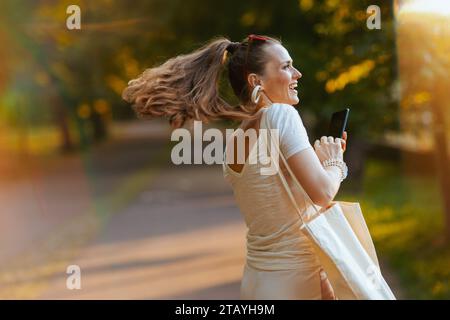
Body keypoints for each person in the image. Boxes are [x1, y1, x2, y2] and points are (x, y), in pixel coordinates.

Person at [122, 35, 348, 299]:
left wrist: (320, 164)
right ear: (256, 81)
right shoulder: (281, 115)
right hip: (292, 283)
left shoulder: (237, 139)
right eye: (286, 66)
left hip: (259, 282)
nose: (297, 73)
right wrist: (335, 163)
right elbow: (321, 194)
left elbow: (282, 201)